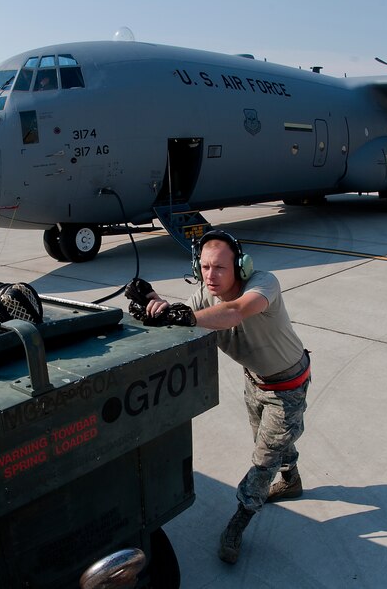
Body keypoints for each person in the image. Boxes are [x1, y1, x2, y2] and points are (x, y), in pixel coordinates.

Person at [124, 230, 310, 564]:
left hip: (289, 385)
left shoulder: (264, 284)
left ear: (240, 267)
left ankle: (239, 520)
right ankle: (292, 479)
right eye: (205, 267)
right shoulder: (203, 298)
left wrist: (185, 317)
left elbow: (236, 311)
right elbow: (180, 321)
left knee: (265, 456)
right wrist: (152, 301)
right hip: (255, 381)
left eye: (220, 268)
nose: (211, 275)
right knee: (271, 439)